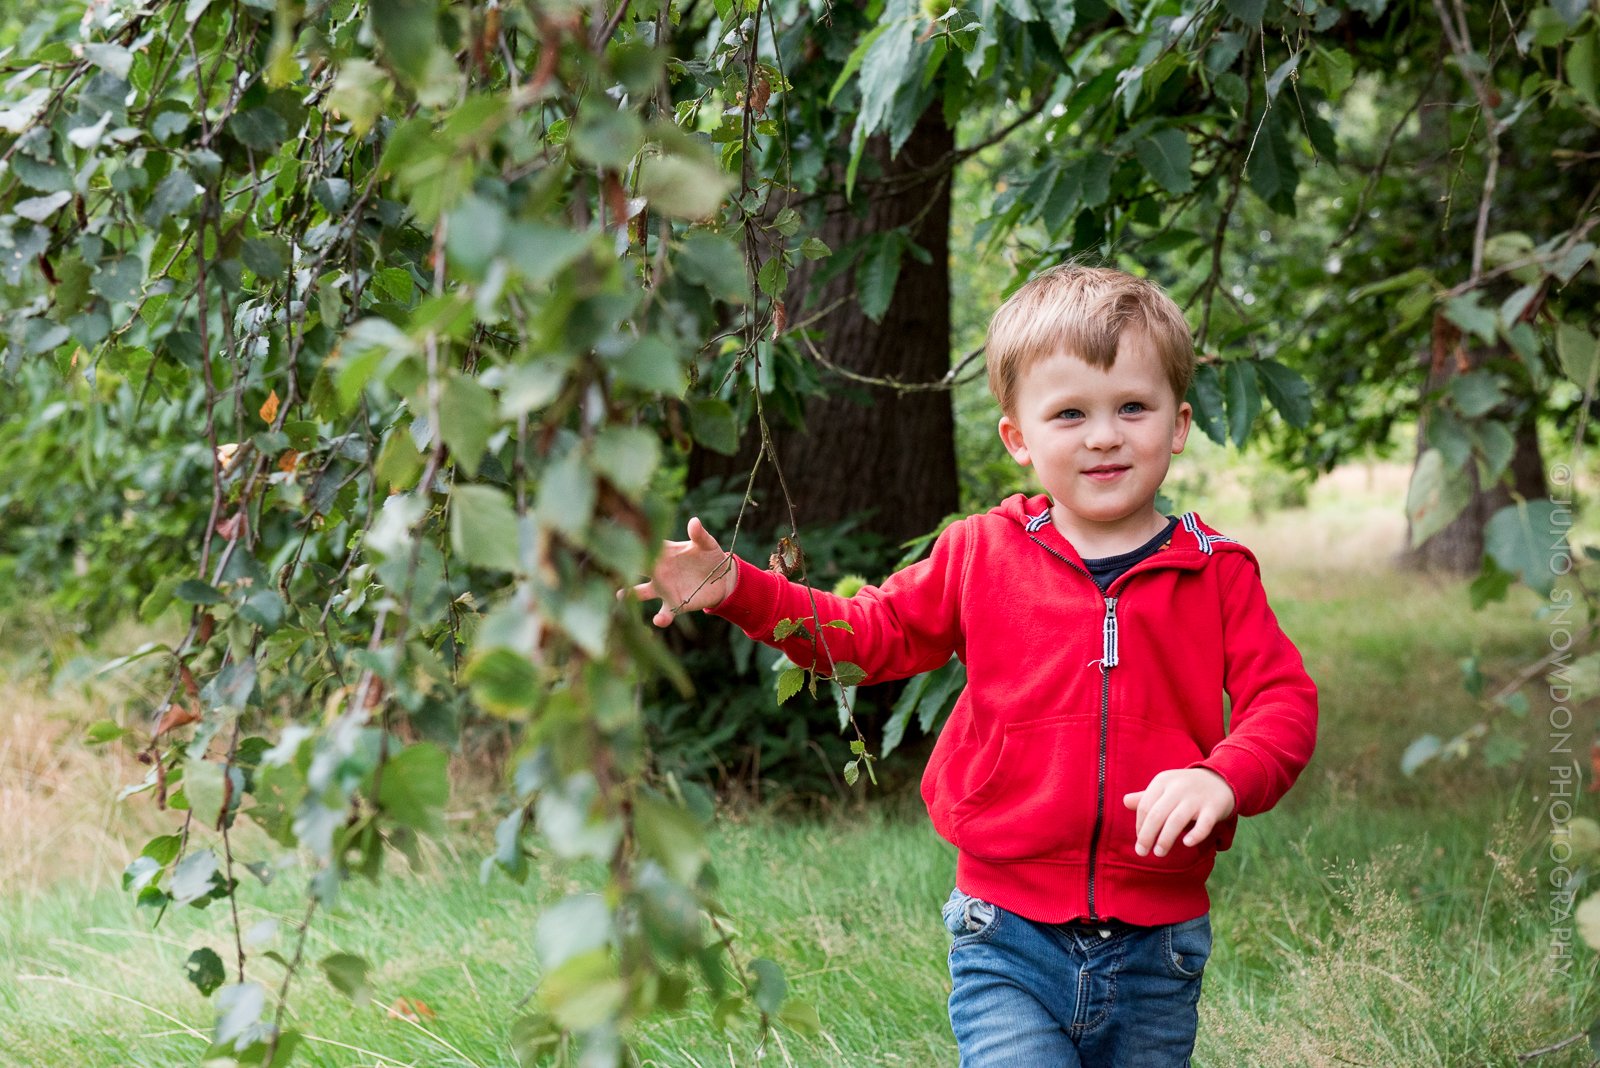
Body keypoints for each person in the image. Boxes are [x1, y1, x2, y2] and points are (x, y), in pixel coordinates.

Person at [631, 263, 1319, 1066]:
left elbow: (1284, 702)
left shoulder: (1217, 570)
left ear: (1178, 424)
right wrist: (739, 589)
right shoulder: (979, 553)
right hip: (1006, 931)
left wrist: (1224, 775)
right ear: (1018, 438)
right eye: (1069, 413)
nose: (1104, 435)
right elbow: (869, 634)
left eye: (1133, 406)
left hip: (1157, 943)